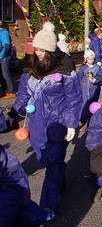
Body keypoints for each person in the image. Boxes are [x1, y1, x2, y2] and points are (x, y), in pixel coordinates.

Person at [8, 21, 82, 213]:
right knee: (46, 160)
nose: (38, 53)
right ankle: (60, 183)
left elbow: (74, 98)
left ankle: (48, 208)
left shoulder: (65, 72)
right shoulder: (31, 69)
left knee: (53, 164)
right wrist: (14, 113)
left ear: (50, 51)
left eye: (42, 50)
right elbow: (23, 95)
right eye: (36, 49)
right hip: (36, 127)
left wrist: (72, 124)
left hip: (58, 124)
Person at [0, 144, 55, 226]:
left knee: (19, 207)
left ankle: (44, 214)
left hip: (10, 191)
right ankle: (43, 215)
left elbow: (13, 180)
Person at [77, 50, 102, 132]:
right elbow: (79, 78)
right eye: (89, 59)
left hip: (94, 91)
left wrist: (94, 80)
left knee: (92, 107)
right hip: (84, 91)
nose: (91, 61)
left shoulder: (97, 68)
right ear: (86, 59)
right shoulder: (83, 68)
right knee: (84, 106)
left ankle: (90, 123)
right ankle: (84, 122)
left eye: (92, 59)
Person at [0, 21, 16, 98]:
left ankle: (11, 92)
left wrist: (2, 55)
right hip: (1, 56)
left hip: (3, 57)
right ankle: (4, 90)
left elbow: (7, 45)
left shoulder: (4, 33)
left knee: (5, 74)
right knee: (1, 75)